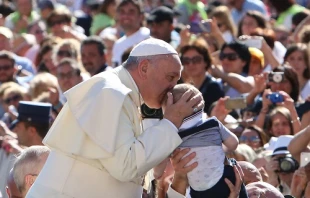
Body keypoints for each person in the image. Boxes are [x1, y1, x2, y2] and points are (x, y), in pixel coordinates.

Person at [26, 38, 203, 197]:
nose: (173, 87)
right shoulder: (110, 91)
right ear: (144, 68)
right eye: (170, 77)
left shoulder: (126, 96)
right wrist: (170, 123)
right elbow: (125, 167)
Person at [154, 83, 247, 198]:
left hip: (197, 187)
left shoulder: (173, 136)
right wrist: (217, 148)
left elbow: (158, 171)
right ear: (201, 103)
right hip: (225, 178)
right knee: (234, 165)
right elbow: (234, 144)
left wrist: (157, 173)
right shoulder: (213, 123)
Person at [112, 0, 150, 66]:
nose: (126, 16)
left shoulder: (148, 36)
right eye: (122, 12)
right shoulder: (117, 44)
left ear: (141, 16)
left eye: (131, 12)